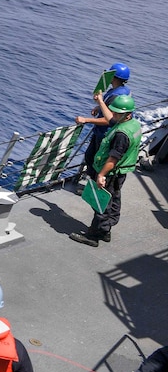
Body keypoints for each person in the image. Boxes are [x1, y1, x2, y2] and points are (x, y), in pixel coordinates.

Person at [70, 94, 142, 246]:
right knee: (113, 199)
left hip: (110, 173)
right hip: (120, 172)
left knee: (100, 202)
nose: (114, 115)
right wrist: (101, 101)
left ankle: (93, 236)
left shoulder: (121, 134)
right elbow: (111, 119)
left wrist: (101, 174)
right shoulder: (132, 124)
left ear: (127, 114)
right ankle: (106, 231)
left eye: (117, 113)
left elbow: (113, 158)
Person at [75, 62, 131, 178]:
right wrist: (99, 106)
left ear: (115, 77)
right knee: (90, 157)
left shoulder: (116, 96)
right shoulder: (121, 91)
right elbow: (111, 108)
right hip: (103, 133)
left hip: (105, 135)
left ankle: (95, 184)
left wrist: (86, 120)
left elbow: (110, 120)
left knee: (96, 161)